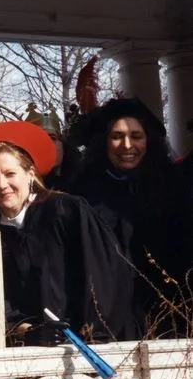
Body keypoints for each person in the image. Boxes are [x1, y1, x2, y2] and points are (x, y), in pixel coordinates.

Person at [0, 121, 134, 345]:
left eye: (10, 173)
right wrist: (28, 331)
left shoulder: (66, 211)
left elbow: (107, 278)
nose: (1, 184)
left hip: (86, 347)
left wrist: (92, 335)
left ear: (30, 173)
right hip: (26, 351)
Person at [69, 98, 183, 338]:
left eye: (136, 136)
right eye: (117, 136)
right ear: (104, 141)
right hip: (107, 315)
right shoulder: (83, 193)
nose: (127, 145)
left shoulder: (172, 188)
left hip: (166, 308)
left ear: (148, 140)